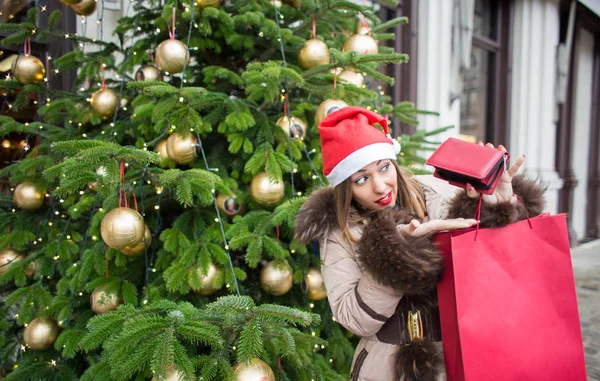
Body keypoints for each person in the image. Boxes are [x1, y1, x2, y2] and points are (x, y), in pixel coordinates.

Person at [294, 107, 544, 381]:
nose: (380, 186)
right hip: (385, 367)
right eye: (362, 179)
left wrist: (499, 206)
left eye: (384, 167)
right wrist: (397, 256)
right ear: (346, 187)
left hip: (462, 356)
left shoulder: (437, 193)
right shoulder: (340, 230)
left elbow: (492, 265)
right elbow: (353, 318)